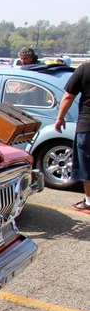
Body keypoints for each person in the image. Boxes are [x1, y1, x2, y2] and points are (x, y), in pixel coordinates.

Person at [55, 61, 90, 213]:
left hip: (87, 126)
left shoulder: (84, 69)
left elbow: (68, 96)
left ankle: (89, 201)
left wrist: (60, 118)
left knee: (87, 165)